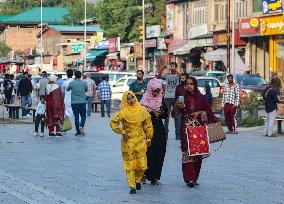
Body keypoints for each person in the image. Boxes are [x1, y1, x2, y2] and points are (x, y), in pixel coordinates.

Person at [172, 77, 219, 188]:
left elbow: (209, 113)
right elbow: (173, 114)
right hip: (186, 129)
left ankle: (195, 177)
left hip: (198, 130)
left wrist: (199, 113)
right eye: (187, 84)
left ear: (195, 85)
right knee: (187, 152)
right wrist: (176, 107)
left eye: (191, 84)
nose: (189, 86)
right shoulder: (182, 98)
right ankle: (189, 178)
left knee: (197, 153)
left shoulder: (201, 98)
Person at [110, 91, 153, 194]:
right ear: (125, 100)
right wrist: (122, 132)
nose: (131, 100)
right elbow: (113, 122)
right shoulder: (123, 112)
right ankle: (132, 185)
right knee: (129, 164)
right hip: (128, 141)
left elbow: (148, 125)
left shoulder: (142, 110)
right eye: (128, 99)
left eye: (132, 97)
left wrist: (149, 138)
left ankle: (138, 180)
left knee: (142, 165)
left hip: (141, 141)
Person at [140, 79, 168, 185]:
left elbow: (166, 113)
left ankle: (155, 177)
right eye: (154, 91)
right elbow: (141, 114)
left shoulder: (161, 99)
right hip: (146, 129)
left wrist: (160, 113)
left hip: (159, 129)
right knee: (147, 152)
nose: (156, 93)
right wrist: (151, 112)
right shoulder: (144, 101)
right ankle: (144, 174)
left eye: (158, 91)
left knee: (159, 151)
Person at [162, 62, 180, 138]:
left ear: (176, 67)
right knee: (166, 116)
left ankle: (177, 133)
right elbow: (159, 76)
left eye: (173, 66)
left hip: (175, 97)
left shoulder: (177, 75)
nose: (171, 67)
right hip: (167, 97)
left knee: (176, 115)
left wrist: (175, 70)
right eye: (171, 66)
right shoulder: (167, 75)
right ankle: (165, 133)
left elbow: (182, 75)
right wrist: (163, 68)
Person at [67, 71, 88, 136]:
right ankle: (81, 125)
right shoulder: (84, 83)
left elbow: (67, 89)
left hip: (74, 102)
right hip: (82, 102)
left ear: (74, 76)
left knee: (76, 116)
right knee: (83, 116)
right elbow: (86, 90)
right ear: (80, 75)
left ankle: (78, 131)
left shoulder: (72, 83)